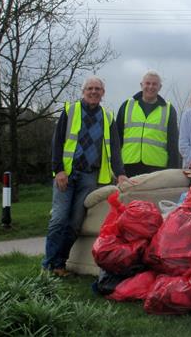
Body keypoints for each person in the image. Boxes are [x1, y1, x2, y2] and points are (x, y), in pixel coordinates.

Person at [43, 76, 129, 276]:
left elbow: (115, 149)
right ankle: (48, 265)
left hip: (90, 177)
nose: (93, 92)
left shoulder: (108, 117)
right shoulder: (70, 111)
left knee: (75, 223)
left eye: (98, 89)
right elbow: (57, 143)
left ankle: (60, 264)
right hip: (67, 174)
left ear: (103, 93)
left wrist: (121, 174)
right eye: (90, 88)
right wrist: (58, 170)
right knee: (58, 219)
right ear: (83, 91)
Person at [116, 70, 179, 176]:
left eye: (154, 84)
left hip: (157, 168)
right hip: (128, 165)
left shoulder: (168, 109)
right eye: (148, 83)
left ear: (160, 87)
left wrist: (173, 170)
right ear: (141, 85)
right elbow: (117, 139)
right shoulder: (127, 105)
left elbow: (173, 143)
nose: (151, 87)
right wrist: (116, 167)